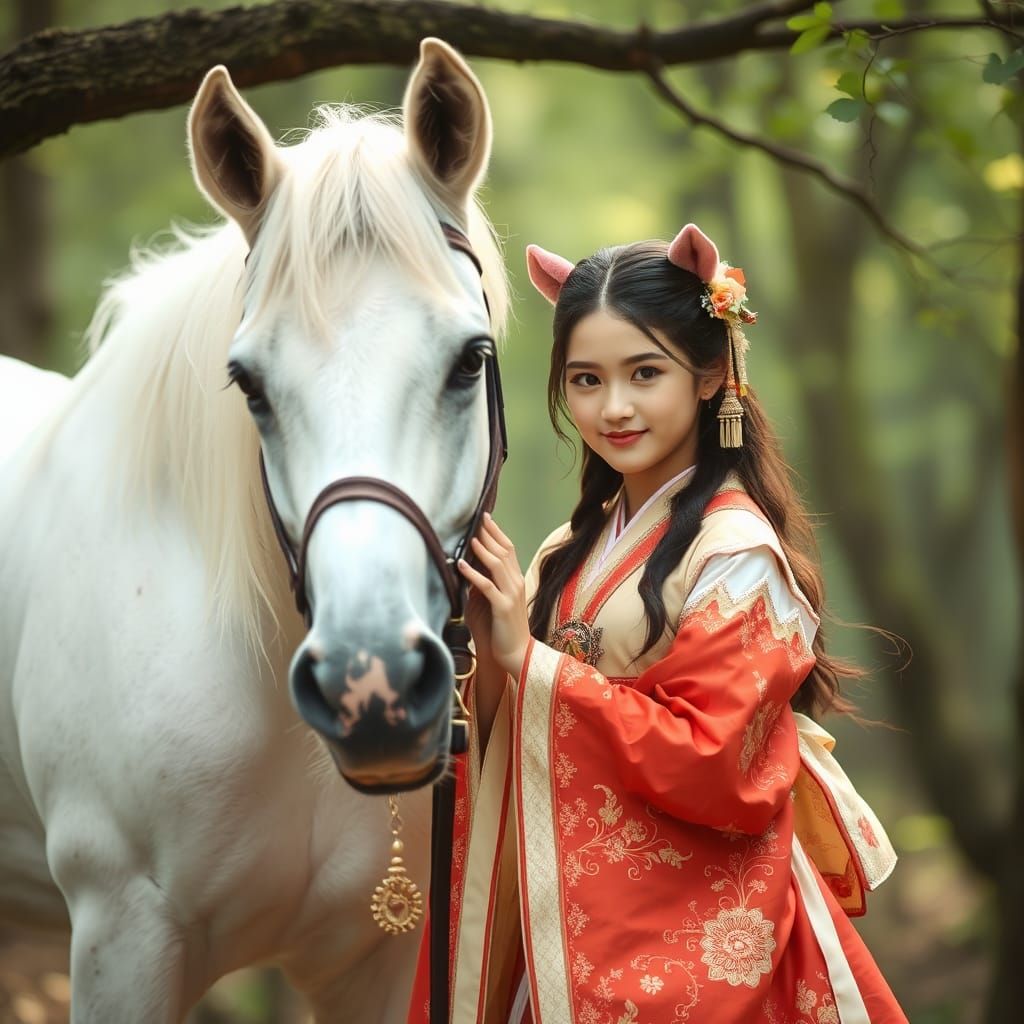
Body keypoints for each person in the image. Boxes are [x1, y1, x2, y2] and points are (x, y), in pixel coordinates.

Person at [408, 224, 906, 1023]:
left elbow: (717, 763)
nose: (613, 407)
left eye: (645, 373)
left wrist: (530, 663)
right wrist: (492, 655)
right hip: (574, 925)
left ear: (712, 373)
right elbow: (511, 740)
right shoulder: (568, 551)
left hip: (700, 927)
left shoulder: (737, 555)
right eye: (585, 379)